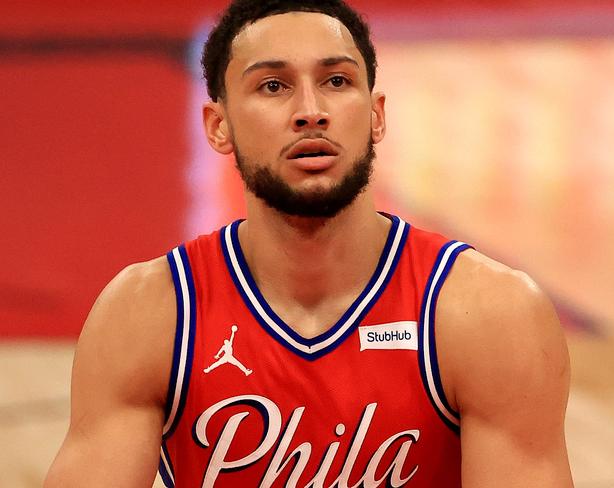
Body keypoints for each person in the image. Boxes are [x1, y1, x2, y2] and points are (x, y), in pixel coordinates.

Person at [45, 0, 573, 486]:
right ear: (218, 126)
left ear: (376, 115)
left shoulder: (486, 313)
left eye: (337, 81)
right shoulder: (150, 314)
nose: (310, 110)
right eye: (273, 86)